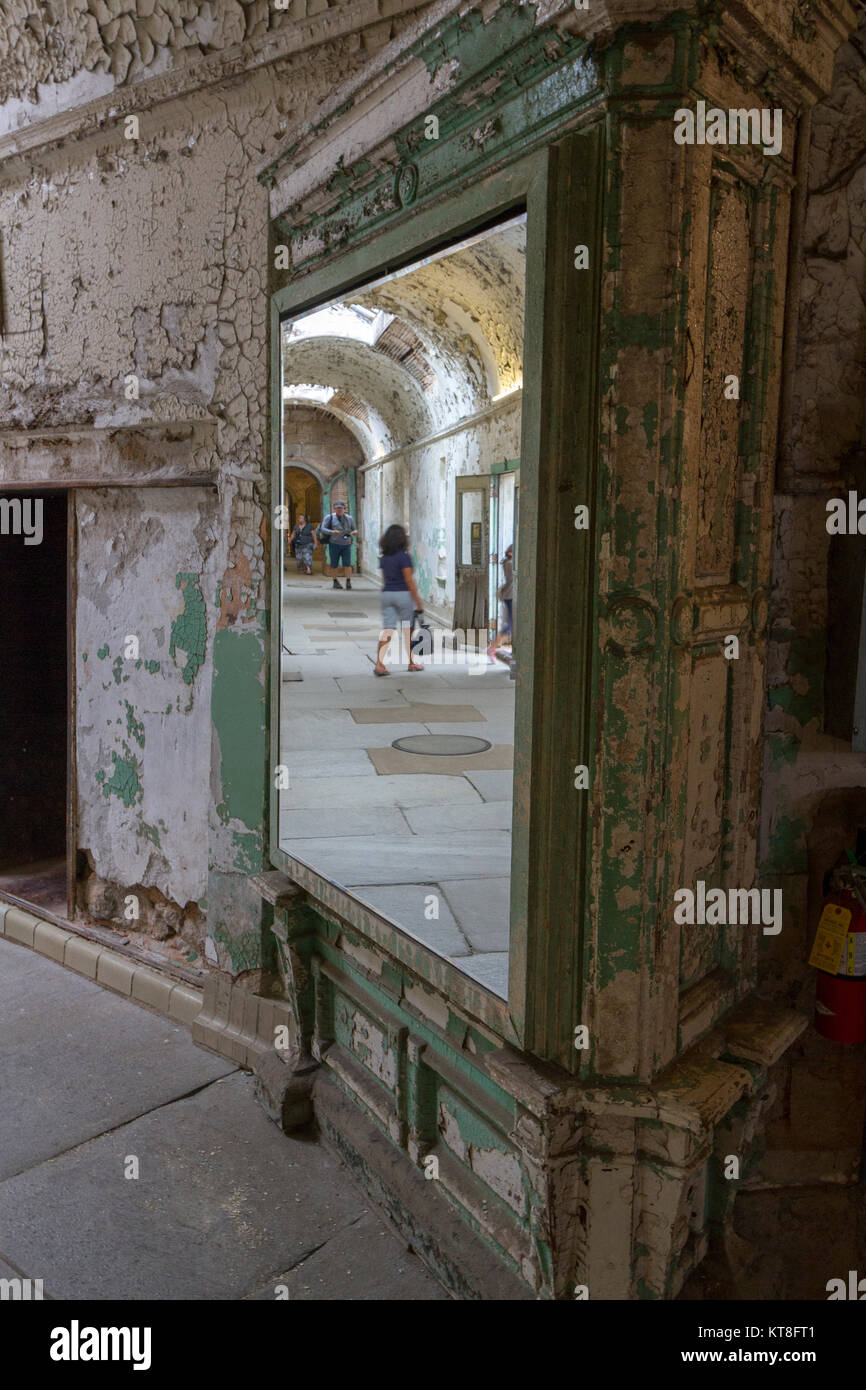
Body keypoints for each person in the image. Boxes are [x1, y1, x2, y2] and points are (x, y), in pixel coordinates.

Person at [375, 523, 425, 676]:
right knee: (407, 630)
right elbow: (409, 580)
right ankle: (411, 662)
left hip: (387, 594)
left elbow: (384, 579)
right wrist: (418, 602)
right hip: (402, 594)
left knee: (387, 630)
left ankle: (379, 664)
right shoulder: (404, 557)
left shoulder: (384, 558)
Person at [320, 501, 357, 589]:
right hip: (334, 544)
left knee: (347, 564)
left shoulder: (349, 518)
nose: (339, 510)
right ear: (335, 509)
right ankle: (335, 581)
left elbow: (354, 528)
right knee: (334, 564)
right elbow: (323, 528)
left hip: (346, 544)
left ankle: (348, 581)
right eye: (337, 508)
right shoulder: (329, 517)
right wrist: (332, 532)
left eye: (341, 508)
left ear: (344, 509)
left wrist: (355, 532)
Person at [488, 543, 514, 660]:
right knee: (507, 627)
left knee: (508, 627)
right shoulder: (510, 564)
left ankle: (492, 648)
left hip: (509, 596)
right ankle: (492, 648)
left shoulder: (507, 563)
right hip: (510, 597)